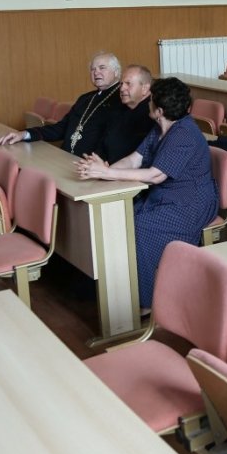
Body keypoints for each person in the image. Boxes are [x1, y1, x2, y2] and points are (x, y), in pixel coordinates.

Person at [77, 77, 216, 310]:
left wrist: (106, 173)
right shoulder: (160, 128)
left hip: (189, 203)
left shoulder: (184, 134)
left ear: (159, 110)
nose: (148, 102)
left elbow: (154, 175)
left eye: (151, 100)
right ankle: (122, 289)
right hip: (163, 197)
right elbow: (135, 159)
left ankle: (147, 302)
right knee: (118, 220)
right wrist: (106, 170)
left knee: (139, 228)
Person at [0, 53, 125, 157]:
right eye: (93, 69)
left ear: (116, 72)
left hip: (93, 166)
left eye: (102, 68)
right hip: (66, 159)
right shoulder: (85, 98)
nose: (96, 72)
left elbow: (114, 142)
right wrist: (24, 134)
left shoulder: (122, 100)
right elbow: (60, 128)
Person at [98, 64, 156, 164]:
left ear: (145, 88)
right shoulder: (117, 109)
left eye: (128, 84)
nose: (121, 89)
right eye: (121, 84)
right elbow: (104, 142)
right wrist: (98, 160)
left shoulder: (153, 114)